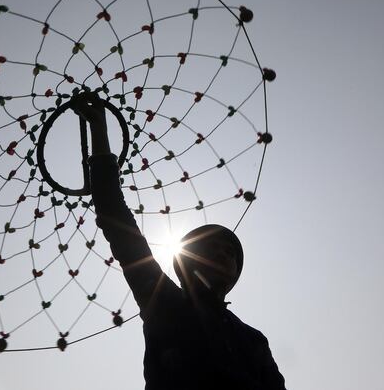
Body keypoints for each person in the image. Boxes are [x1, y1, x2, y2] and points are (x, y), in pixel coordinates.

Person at [72, 93, 286, 390]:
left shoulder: (253, 340)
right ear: (185, 263)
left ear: (236, 273)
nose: (223, 254)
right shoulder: (164, 302)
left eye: (230, 252)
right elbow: (115, 219)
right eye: (210, 248)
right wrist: (99, 129)